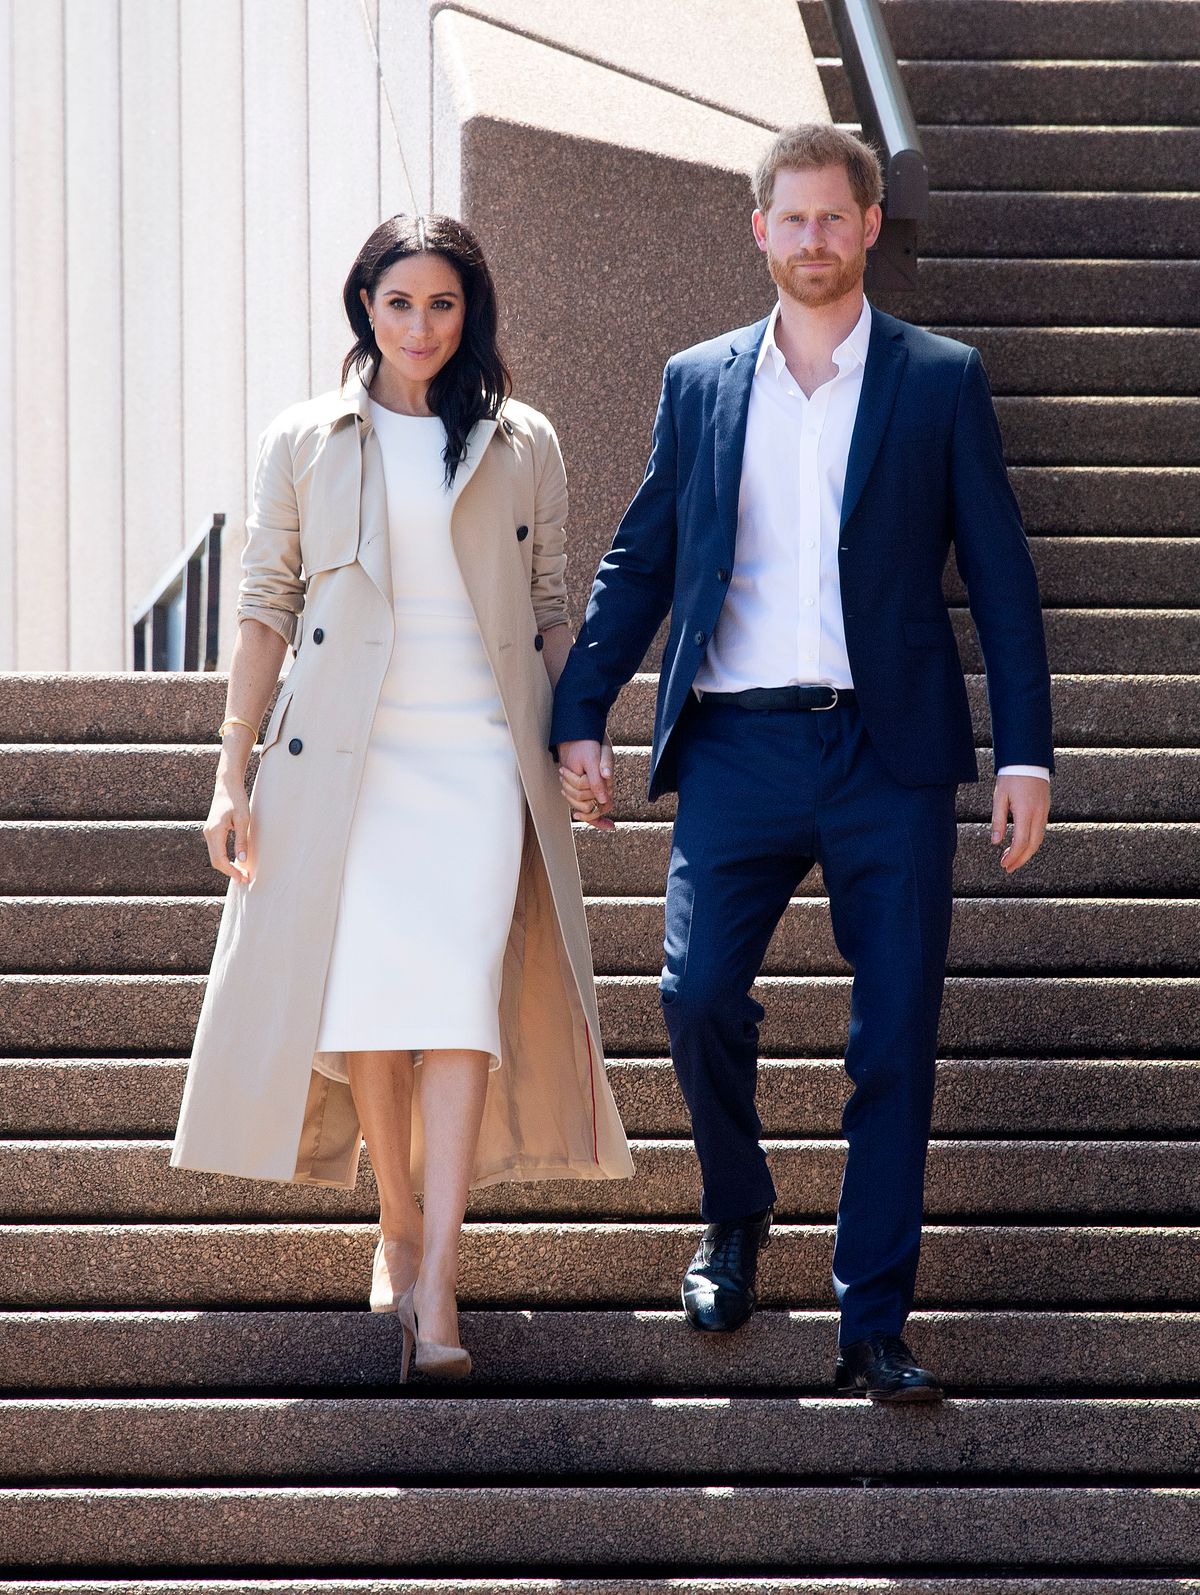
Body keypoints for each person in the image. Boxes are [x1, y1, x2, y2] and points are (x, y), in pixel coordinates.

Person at [552, 124, 1052, 1403]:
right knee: (695, 993)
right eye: (795, 219)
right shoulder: (701, 381)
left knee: (894, 1038)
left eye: (838, 218)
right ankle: (737, 1213)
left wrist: (1026, 752)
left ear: (869, 226)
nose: (816, 241)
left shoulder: (940, 379)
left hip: (890, 756)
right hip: (738, 742)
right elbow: (641, 560)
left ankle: (873, 1316)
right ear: (759, 228)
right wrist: (580, 708)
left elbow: (998, 574)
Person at [172, 213, 633, 1382]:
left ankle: (439, 1280)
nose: (421, 326)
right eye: (399, 303)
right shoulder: (306, 438)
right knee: (374, 1003)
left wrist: (577, 731)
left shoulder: (521, 437)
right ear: (363, 307)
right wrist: (233, 767)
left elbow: (548, 604)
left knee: (456, 1002)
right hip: (347, 761)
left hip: (479, 757)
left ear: (469, 312)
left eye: (443, 304)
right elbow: (266, 603)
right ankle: (398, 1224)